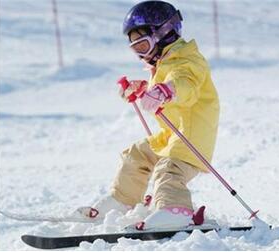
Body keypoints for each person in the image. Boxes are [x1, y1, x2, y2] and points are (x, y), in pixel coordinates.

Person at [78, 0, 220, 231]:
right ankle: (122, 201)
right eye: (136, 49)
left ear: (165, 33)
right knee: (137, 155)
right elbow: (163, 89)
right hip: (172, 134)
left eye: (143, 45)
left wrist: (167, 91)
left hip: (192, 137)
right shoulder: (165, 63)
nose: (141, 54)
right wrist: (143, 89)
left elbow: (185, 83)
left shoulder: (187, 61)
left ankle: (175, 211)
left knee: (168, 169)